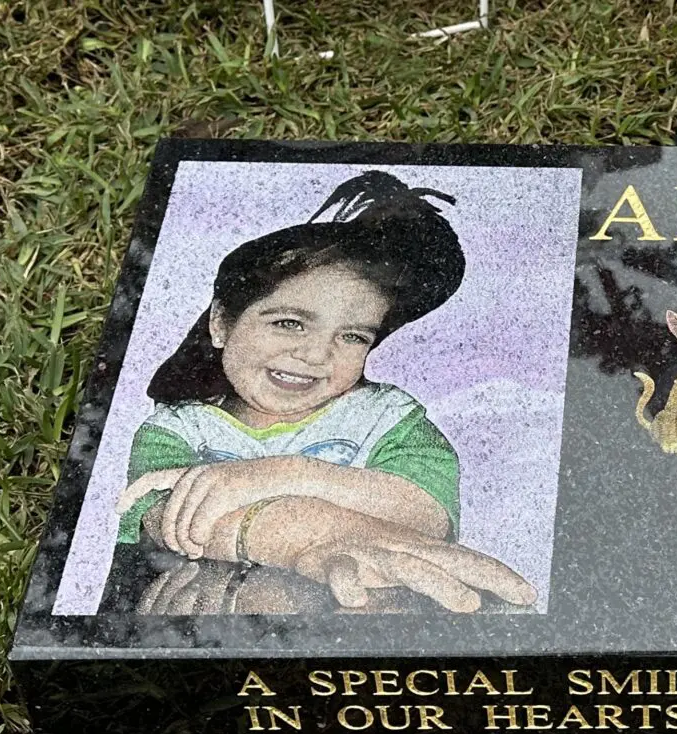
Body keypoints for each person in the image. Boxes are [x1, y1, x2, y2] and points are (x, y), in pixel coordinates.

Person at [108, 171, 534, 614]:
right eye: (288, 323)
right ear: (222, 323)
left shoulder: (388, 415)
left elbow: (425, 513)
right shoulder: (176, 430)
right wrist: (313, 534)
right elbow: (177, 521)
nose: (315, 355)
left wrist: (285, 474)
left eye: (352, 336)